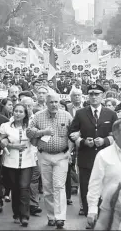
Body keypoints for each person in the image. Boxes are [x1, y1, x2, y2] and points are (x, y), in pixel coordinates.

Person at [68, 84, 118, 218]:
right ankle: (90, 216)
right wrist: (83, 141)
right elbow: (72, 133)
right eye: (91, 94)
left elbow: (117, 134)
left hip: (106, 157)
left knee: (106, 187)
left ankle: (103, 217)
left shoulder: (111, 114)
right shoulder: (80, 113)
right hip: (86, 157)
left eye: (97, 94)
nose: (94, 97)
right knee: (86, 187)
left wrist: (105, 141)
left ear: (102, 96)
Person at [27, 93, 74, 229]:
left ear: (59, 102)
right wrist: (42, 132)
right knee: (48, 188)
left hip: (61, 155)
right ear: (46, 103)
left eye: (56, 102)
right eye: (51, 102)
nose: (54, 104)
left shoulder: (66, 115)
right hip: (44, 155)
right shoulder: (38, 116)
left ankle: (60, 218)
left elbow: (73, 134)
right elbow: (29, 132)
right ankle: (51, 216)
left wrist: (69, 152)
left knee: (59, 186)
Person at [0, 104, 36, 227]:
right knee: (15, 188)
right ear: (12, 112)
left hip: (27, 161)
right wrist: (12, 145)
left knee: (24, 187)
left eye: (21, 111)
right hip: (10, 161)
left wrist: (37, 135)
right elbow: (1, 142)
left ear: (25, 114)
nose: (18, 113)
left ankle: (24, 216)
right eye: (16, 111)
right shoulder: (6, 126)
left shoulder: (30, 127)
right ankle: (17, 214)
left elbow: (35, 141)